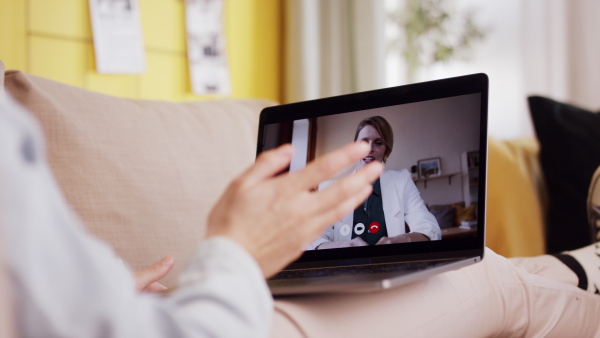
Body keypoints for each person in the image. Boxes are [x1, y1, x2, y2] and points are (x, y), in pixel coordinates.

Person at [2, 93, 600, 337]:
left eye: (373, 143)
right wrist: (237, 249)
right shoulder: (336, 186)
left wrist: (95, 296)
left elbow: (430, 232)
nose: (365, 150)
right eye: (359, 140)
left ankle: (580, 266)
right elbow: (330, 238)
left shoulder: (396, 183)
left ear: (385, 150)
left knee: (463, 263)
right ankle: (585, 268)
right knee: (479, 275)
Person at [310, 116, 441, 250]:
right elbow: (312, 240)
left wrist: (401, 240)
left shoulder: (402, 181)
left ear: (386, 150)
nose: (369, 149)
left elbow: (429, 228)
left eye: (378, 143)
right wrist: (345, 245)